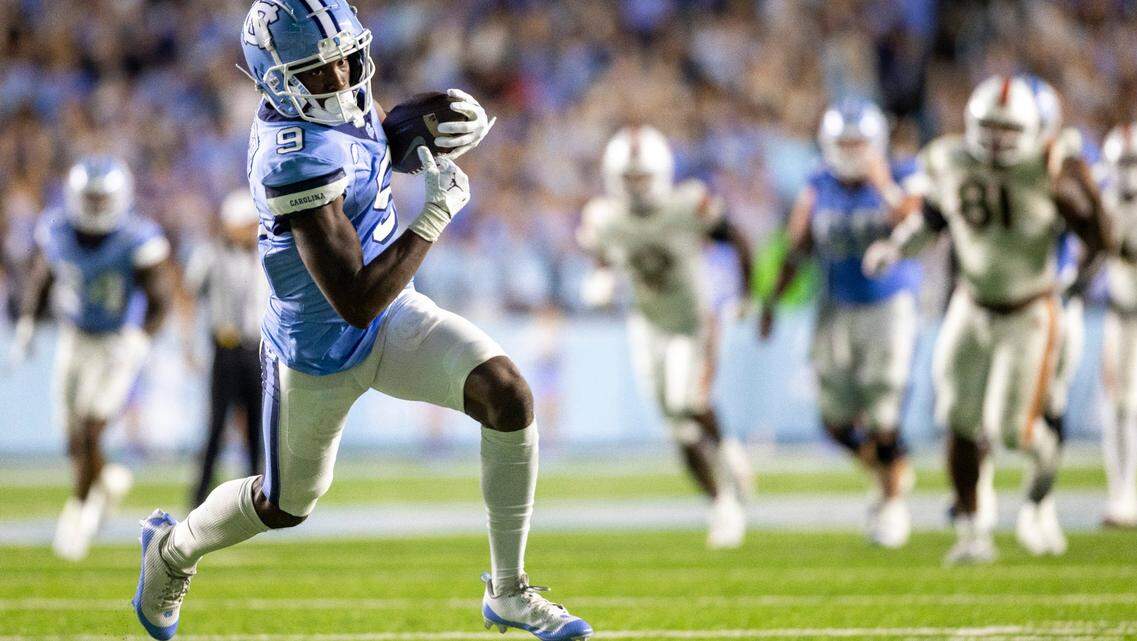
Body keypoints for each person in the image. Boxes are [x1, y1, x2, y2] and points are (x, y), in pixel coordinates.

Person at [131, 3, 592, 641]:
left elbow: (382, 130)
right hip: (319, 349)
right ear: (278, 79)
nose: (345, 74)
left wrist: (442, 116)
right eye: (322, 70)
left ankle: (509, 591)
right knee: (283, 503)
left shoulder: (333, 99)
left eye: (347, 56)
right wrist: (431, 219)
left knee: (507, 393)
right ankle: (173, 550)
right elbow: (354, 299)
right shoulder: (291, 156)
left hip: (392, 316)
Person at [864, 75, 1109, 564]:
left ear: (1033, 130)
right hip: (970, 303)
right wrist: (897, 248)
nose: (996, 140)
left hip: (1030, 310)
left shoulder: (1050, 166)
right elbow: (934, 218)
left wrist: (1078, 269)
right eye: (988, 127)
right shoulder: (950, 158)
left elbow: (1100, 236)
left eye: (1008, 129)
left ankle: (1040, 489)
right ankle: (973, 530)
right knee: (957, 420)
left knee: (1012, 433)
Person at [577, 126, 756, 550]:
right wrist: (601, 279)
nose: (637, 187)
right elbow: (602, 255)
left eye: (643, 177)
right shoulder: (605, 216)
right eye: (629, 179)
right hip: (647, 323)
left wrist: (747, 294)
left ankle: (728, 470)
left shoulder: (687, 204)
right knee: (676, 425)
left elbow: (738, 240)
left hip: (693, 320)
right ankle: (720, 497)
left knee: (686, 401)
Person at [761, 98, 923, 549]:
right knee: (834, 421)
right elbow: (797, 247)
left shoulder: (903, 174)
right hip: (835, 306)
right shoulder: (818, 183)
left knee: (885, 407)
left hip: (890, 304)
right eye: (843, 143)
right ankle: (890, 470)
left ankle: (891, 506)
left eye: (859, 142)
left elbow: (919, 225)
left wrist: (884, 185)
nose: (851, 151)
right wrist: (772, 300)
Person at [10, 156, 173, 560]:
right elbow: (43, 277)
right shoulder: (57, 228)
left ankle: (79, 512)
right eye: (91, 199)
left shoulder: (137, 237)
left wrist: (141, 337)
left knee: (91, 426)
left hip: (116, 341)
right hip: (73, 337)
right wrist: (28, 321)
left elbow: (161, 300)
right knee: (72, 437)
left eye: (104, 199)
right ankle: (108, 480)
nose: (97, 207)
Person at [181, 191, 269, 507]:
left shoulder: (265, 253)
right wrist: (187, 342)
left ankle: (259, 495)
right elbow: (188, 296)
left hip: (257, 348)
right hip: (226, 348)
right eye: (246, 224)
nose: (251, 229)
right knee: (217, 425)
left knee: (258, 425)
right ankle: (200, 494)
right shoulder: (209, 255)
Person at [1099, 122, 1137, 529]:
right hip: (1124, 314)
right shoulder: (1103, 199)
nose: (1129, 172)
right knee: (1120, 406)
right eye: (1122, 163)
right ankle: (1123, 493)